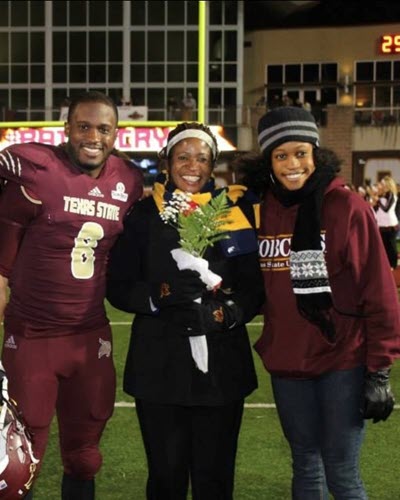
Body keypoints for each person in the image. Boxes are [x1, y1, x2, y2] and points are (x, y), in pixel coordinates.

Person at [234, 106, 400, 499]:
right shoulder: (261, 209)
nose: (293, 164)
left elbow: (380, 293)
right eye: (281, 155)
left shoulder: (346, 207)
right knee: (305, 465)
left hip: (342, 359)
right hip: (288, 361)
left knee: (342, 471)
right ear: (268, 161)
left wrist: (379, 371)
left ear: (315, 153)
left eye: (301, 153)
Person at [106, 122, 265, 499]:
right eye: (183, 156)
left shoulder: (235, 210)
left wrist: (224, 313)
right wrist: (158, 296)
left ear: (213, 165)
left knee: (215, 481)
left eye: (203, 158)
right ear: (166, 162)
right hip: (159, 366)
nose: (192, 165)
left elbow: (255, 288)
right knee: (165, 479)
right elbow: (118, 285)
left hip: (222, 368)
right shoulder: (143, 215)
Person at [0, 90, 143, 499]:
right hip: (33, 337)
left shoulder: (129, 180)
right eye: (83, 126)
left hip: (89, 334)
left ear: (116, 133)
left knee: (85, 456)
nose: (93, 136)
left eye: (103, 128)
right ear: (66, 129)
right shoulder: (35, 167)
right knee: (19, 458)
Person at [373, 175, 399, 269]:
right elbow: (376, 209)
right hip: (381, 225)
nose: (382, 185)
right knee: (384, 246)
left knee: (391, 246)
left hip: (391, 225)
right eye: (381, 183)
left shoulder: (392, 194)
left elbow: (386, 209)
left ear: (388, 184)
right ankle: (386, 265)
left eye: (384, 184)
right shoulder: (382, 195)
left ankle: (393, 264)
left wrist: (378, 201)